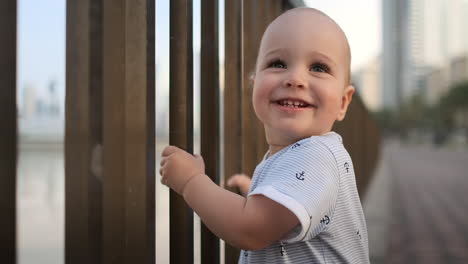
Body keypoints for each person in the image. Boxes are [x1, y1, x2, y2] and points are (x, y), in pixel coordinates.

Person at [159, 7, 370, 263]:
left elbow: (250, 229)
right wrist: (262, 195)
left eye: (318, 67)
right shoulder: (305, 154)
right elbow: (275, 217)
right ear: (254, 84)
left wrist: (191, 181)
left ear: (343, 102)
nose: (295, 79)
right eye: (278, 64)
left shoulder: (317, 157)